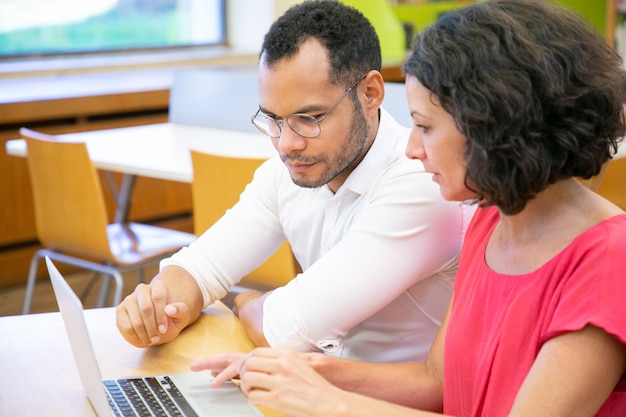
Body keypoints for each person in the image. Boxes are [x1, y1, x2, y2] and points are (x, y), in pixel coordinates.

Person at [193, 1, 626, 416]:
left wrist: (328, 403)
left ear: (498, 126)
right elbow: (437, 382)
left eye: (425, 127)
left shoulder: (610, 259)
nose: (413, 149)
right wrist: (300, 370)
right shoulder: (491, 223)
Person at [115, 0, 472, 364]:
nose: (287, 144)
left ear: (370, 94)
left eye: (309, 117)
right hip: (314, 390)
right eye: (273, 119)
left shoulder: (421, 182)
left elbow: (286, 332)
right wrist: (158, 305)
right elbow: (201, 267)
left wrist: (246, 301)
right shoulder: (293, 168)